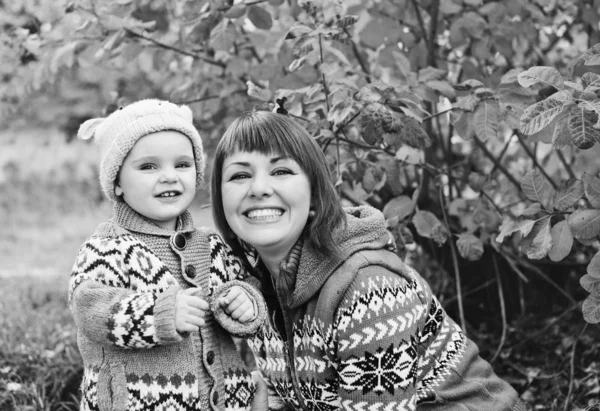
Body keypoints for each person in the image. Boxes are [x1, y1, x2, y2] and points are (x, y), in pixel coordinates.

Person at [210, 110, 525, 410]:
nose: (259, 188)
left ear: (314, 194)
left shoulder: (368, 289)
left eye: (281, 171)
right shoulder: (257, 292)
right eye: (239, 175)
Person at [69, 99, 268, 411]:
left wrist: (243, 300)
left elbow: (248, 287)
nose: (169, 176)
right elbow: (89, 309)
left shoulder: (211, 246)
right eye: (148, 166)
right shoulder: (108, 248)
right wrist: (157, 315)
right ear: (117, 182)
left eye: (182, 164)